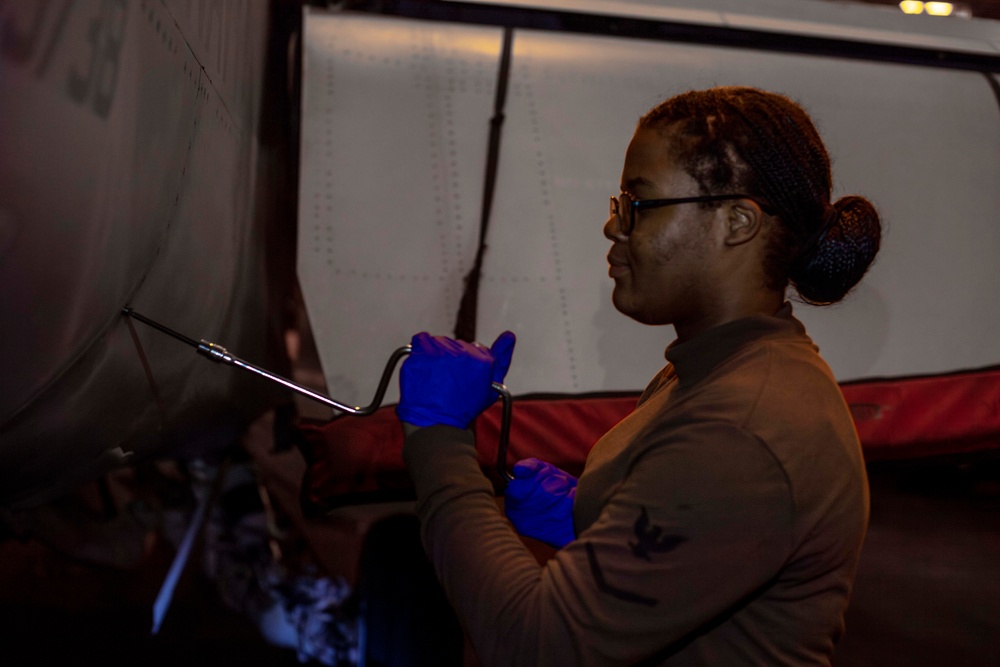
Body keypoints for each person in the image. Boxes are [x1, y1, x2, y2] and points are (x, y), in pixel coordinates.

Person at [394, 86, 881, 666]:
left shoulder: (742, 426)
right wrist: (596, 519)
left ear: (737, 222)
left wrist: (440, 443)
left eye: (637, 204)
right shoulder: (711, 370)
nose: (612, 227)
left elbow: (538, 645)